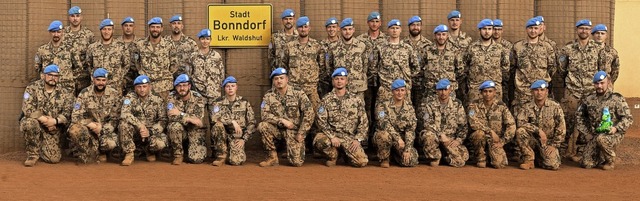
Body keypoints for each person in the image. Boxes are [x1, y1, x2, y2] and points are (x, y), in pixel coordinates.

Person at [558, 19, 602, 161]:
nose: (584, 31)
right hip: (573, 90)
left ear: (590, 31)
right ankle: (565, 152)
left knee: (588, 122)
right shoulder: (568, 48)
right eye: (581, 28)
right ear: (577, 30)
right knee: (569, 121)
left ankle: (584, 152)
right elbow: (562, 69)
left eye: (587, 29)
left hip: (591, 92)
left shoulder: (598, 49)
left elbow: (602, 70)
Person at [577, 71, 633, 170]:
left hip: (612, 134)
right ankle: (600, 156)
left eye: (602, 83)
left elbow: (628, 118)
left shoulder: (616, 98)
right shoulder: (589, 99)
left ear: (608, 83)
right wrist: (586, 133)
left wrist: (616, 128)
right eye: (597, 83)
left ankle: (610, 160)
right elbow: (580, 116)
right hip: (595, 135)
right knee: (586, 164)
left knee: (601, 139)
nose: (599, 86)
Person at [257, 68, 314, 167]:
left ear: (287, 79)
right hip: (277, 129)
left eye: (281, 78)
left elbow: (309, 113)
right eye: (276, 79)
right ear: (273, 81)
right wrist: (280, 120)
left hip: (294, 130)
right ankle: (272, 157)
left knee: (296, 162)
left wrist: (302, 132)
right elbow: (264, 115)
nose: (279, 81)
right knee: (263, 126)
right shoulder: (268, 96)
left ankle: (290, 150)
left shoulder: (298, 93)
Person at [21, 65, 74, 166]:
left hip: (53, 128)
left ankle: (42, 145)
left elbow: (68, 113)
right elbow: (27, 108)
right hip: (36, 123)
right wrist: (43, 119)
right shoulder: (32, 88)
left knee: (53, 159)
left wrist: (54, 121)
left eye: (56, 76)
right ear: (42, 76)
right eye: (50, 75)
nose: (53, 78)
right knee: (29, 123)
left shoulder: (65, 92)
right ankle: (32, 154)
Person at [314, 68, 369, 167]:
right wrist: (332, 136)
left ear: (346, 81)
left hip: (349, 137)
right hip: (332, 136)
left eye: (342, 79)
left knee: (362, 162)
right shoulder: (326, 99)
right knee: (320, 140)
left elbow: (364, 121)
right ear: (333, 81)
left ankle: (345, 154)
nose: (339, 81)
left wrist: (358, 139)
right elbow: (320, 121)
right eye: (336, 79)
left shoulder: (356, 100)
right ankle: (333, 156)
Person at [68, 68, 121, 164]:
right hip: (89, 130)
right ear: (93, 79)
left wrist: (103, 128)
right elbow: (75, 116)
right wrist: (90, 124)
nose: (101, 83)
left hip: (105, 130)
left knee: (111, 144)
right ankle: (87, 152)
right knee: (75, 129)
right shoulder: (84, 93)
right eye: (98, 80)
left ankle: (102, 151)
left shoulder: (114, 94)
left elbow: (115, 118)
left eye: (103, 80)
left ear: (107, 81)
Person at [515, 80, 565, 170]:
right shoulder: (526, 107)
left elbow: (561, 127)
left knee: (552, 165)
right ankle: (529, 160)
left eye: (542, 90)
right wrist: (538, 131)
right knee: (520, 131)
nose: (539, 93)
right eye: (536, 90)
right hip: (532, 141)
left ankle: (539, 159)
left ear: (547, 92)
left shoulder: (555, 106)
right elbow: (520, 123)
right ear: (532, 92)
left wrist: (554, 145)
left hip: (547, 143)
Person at [119, 75, 168, 166]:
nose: (142, 90)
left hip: (150, 131)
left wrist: (150, 131)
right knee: (123, 124)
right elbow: (124, 114)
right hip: (136, 131)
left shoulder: (157, 99)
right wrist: (140, 126)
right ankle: (129, 153)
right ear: (135, 88)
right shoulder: (129, 98)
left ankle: (149, 150)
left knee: (161, 143)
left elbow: (163, 120)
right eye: (139, 87)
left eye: (144, 86)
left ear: (149, 86)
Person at [419, 79, 469, 167]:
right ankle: (435, 157)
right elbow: (427, 123)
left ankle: (445, 157)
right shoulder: (429, 105)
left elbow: (463, 126)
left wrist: (458, 140)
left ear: (450, 90)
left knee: (462, 160)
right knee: (428, 135)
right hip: (435, 138)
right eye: (440, 90)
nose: (443, 92)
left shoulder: (457, 105)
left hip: (450, 139)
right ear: (437, 91)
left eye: (445, 89)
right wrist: (440, 134)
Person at [281, 16, 325, 113]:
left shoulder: (317, 46)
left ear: (309, 28)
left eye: (305, 27)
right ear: (297, 29)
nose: (303, 29)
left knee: (316, 114)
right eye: (300, 27)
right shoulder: (289, 46)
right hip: (294, 89)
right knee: (294, 114)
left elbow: (322, 67)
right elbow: (284, 66)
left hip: (311, 89)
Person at [468, 80, 515, 168]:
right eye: (485, 91)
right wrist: (490, 131)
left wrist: (503, 141)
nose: (487, 94)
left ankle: (491, 156)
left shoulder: (501, 106)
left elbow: (511, 125)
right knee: (479, 134)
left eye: (490, 91)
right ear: (481, 93)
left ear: (494, 92)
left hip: (495, 141)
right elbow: (473, 123)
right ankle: (480, 158)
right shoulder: (474, 105)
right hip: (480, 139)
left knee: (500, 164)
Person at [511, 18, 556, 108]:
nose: (533, 31)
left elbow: (552, 67)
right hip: (523, 91)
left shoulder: (547, 47)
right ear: (526, 29)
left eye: (535, 28)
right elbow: (512, 67)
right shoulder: (517, 47)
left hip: (541, 90)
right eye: (530, 28)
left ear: (540, 29)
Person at [210, 76, 256, 166]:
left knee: (236, 162)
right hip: (222, 135)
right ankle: (221, 156)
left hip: (236, 136)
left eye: (232, 86)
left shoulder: (244, 102)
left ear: (236, 87)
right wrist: (232, 121)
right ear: (224, 88)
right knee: (218, 125)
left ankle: (231, 152)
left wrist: (244, 139)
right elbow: (214, 118)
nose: (230, 88)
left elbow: (252, 122)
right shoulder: (217, 102)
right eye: (227, 86)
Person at [373, 79, 419, 168]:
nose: (400, 93)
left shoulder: (409, 108)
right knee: (383, 135)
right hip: (388, 137)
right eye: (397, 90)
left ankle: (395, 156)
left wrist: (407, 149)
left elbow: (410, 129)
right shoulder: (382, 106)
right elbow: (384, 124)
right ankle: (384, 158)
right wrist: (398, 138)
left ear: (405, 92)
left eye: (402, 90)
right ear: (392, 91)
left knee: (410, 161)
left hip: (402, 141)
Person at [463, 19, 510, 104]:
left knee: (495, 115)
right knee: (474, 115)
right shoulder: (472, 48)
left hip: (494, 89)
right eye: (484, 29)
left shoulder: (500, 48)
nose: (487, 32)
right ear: (480, 30)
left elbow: (505, 68)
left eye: (489, 29)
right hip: (476, 89)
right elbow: (465, 66)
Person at [372, 19, 419, 103]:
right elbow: (373, 68)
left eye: (397, 28)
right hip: (386, 89)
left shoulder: (407, 48)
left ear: (400, 30)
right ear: (388, 30)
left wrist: (406, 77)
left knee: (404, 113)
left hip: (403, 89)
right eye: (392, 28)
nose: (394, 30)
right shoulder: (380, 48)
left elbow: (416, 67)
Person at [131, 17, 177, 99]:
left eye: (157, 27)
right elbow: (136, 62)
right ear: (149, 28)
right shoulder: (140, 44)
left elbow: (174, 63)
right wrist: (143, 72)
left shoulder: (169, 45)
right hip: (145, 86)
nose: (155, 29)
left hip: (163, 86)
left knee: (163, 110)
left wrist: (164, 74)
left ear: (161, 28)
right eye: (152, 27)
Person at [327, 18, 372, 100]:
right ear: (340, 30)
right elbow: (329, 67)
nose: (347, 32)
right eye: (344, 29)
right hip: (340, 87)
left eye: (350, 29)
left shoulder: (362, 46)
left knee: (358, 111)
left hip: (358, 87)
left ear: (353, 30)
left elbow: (366, 66)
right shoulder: (333, 47)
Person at [166, 74, 207, 165]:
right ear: (175, 87)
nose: (182, 88)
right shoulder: (171, 97)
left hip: (194, 130)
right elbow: (171, 116)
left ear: (189, 86)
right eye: (179, 86)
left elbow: (198, 122)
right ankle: (178, 155)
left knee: (196, 160)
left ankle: (190, 150)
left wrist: (180, 114)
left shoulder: (198, 98)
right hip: (180, 130)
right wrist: (189, 118)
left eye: (184, 85)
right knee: (174, 126)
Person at [34, 20, 81, 92]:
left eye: (58, 32)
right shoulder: (42, 50)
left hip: (66, 90)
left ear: (62, 32)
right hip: (48, 89)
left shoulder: (71, 49)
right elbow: (37, 67)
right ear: (50, 32)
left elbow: (78, 68)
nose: (56, 34)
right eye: (53, 32)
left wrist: (69, 78)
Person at [86, 19, 130, 94]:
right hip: (97, 87)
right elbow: (89, 65)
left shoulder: (121, 47)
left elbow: (126, 65)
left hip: (115, 87)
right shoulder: (92, 47)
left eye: (109, 29)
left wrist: (118, 77)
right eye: (104, 29)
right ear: (100, 30)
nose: (106, 32)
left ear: (112, 30)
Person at [422, 24, 463, 101]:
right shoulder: (427, 50)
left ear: (447, 35)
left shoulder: (454, 51)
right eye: (439, 34)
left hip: (448, 91)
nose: (441, 37)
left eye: (443, 34)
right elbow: (420, 69)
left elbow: (460, 71)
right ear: (435, 36)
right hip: (431, 91)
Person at [187, 28, 225, 103]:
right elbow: (189, 73)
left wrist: (216, 87)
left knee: (215, 114)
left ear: (210, 40)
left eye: (207, 39)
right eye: (203, 39)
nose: (205, 41)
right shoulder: (193, 56)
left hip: (214, 93)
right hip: (198, 92)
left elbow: (222, 73)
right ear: (199, 40)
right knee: (198, 114)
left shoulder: (216, 56)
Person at [403, 16, 432, 108]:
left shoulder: (428, 45)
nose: (415, 27)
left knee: (421, 109)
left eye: (418, 25)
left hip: (422, 84)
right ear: (409, 27)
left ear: (421, 27)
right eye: (413, 25)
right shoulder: (403, 44)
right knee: (407, 107)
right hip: (406, 83)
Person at [65, 6, 95, 95]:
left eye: (77, 16)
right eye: (72, 16)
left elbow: (92, 55)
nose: (75, 18)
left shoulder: (89, 35)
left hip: (84, 77)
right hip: (67, 77)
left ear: (81, 17)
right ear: (69, 17)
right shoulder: (62, 33)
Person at [318, 17, 341, 97]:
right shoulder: (320, 45)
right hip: (324, 82)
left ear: (338, 28)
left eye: (334, 27)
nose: (331, 29)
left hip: (339, 81)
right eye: (329, 27)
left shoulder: (342, 44)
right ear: (326, 29)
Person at [117, 17, 140, 94]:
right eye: (126, 25)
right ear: (122, 27)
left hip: (136, 79)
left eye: (130, 26)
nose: (128, 28)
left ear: (134, 27)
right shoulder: (116, 44)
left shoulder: (140, 43)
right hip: (120, 79)